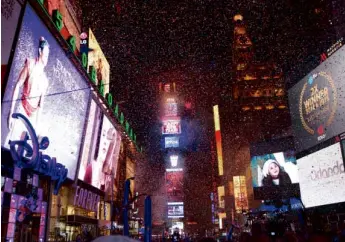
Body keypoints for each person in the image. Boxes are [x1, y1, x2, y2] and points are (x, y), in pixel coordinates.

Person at [6, 37, 50, 143]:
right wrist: (11, 112)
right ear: (40, 51)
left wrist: (37, 125)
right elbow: (17, 86)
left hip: (33, 117)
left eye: (48, 56)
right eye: (45, 54)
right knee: (11, 143)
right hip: (22, 109)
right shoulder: (30, 64)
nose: (46, 58)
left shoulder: (45, 80)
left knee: (24, 150)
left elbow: (41, 106)